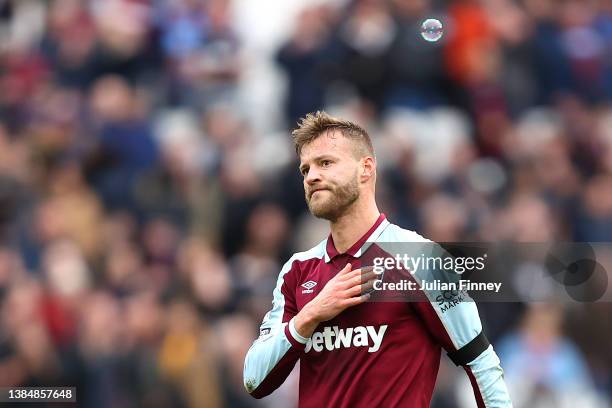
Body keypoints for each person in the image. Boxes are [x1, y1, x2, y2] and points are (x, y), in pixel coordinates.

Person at [243, 111, 512, 407]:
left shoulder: (421, 258)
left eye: (326, 163)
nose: (312, 176)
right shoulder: (297, 270)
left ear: (366, 169)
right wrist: (311, 315)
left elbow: (481, 364)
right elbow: (254, 380)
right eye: (305, 169)